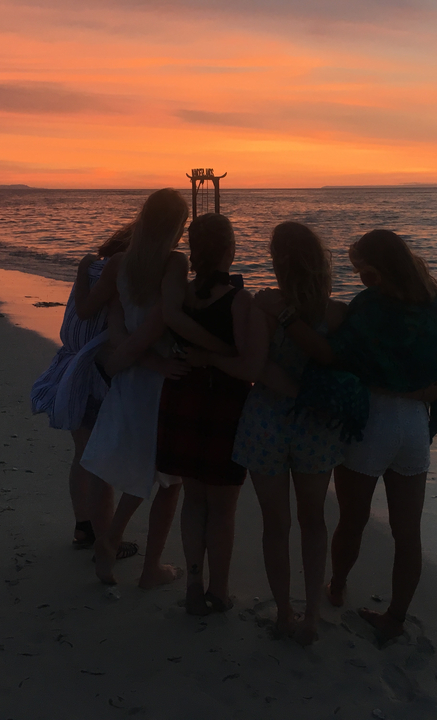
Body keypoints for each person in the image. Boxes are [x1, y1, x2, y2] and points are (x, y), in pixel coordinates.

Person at [257, 228, 437, 643]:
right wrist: (416, 392)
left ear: (378, 269)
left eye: (361, 270)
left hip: (370, 423)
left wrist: (287, 318)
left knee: (352, 519)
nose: (359, 278)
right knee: (409, 532)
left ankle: (335, 586)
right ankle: (395, 617)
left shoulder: (369, 307)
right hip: (414, 428)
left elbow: (334, 356)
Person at [79, 189, 232, 587]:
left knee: (114, 461)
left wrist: (123, 356)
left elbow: (99, 316)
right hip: (163, 379)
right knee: (168, 477)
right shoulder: (174, 264)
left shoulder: (117, 264)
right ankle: (140, 560)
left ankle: (109, 540)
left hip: (128, 376)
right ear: (178, 227)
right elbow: (165, 319)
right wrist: (221, 348)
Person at [203, 221, 345, 645]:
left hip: (267, 419)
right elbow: (341, 367)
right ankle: (312, 617)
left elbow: (257, 366)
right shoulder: (336, 313)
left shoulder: (263, 306)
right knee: (314, 521)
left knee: (275, 524)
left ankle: (284, 613)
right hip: (316, 425)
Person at [151, 213, 253, 615]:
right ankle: (219, 590)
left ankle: (193, 584)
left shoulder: (181, 296)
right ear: (231, 250)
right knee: (222, 509)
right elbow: (243, 358)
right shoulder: (239, 300)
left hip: (182, 397)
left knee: (194, 500)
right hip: (223, 402)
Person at [30, 221, 137, 556]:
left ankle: (85, 527)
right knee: (99, 457)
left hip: (69, 368)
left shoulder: (89, 270)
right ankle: (106, 538)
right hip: (91, 375)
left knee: (82, 454)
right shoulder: (117, 278)